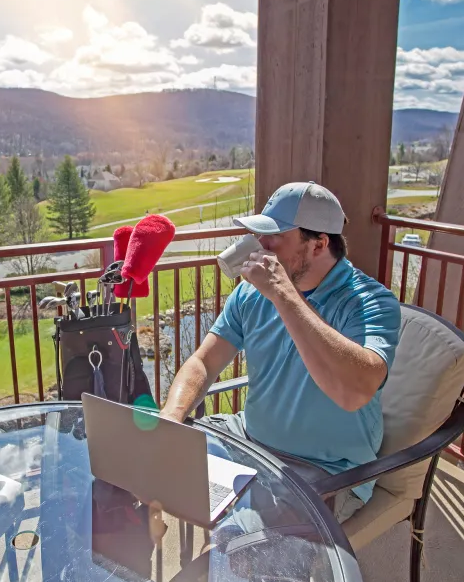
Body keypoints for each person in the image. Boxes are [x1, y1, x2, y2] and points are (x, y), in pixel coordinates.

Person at [160, 182, 401, 523]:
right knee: (155, 471)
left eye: (274, 237)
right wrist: (173, 414)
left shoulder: (369, 302)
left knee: (242, 554)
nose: (261, 246)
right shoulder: (251, 294)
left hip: (324, 471)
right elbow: (204, 361)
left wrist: (283, 295)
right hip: (247, 440)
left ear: (319, 244)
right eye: (260, 235)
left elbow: (356, 391)